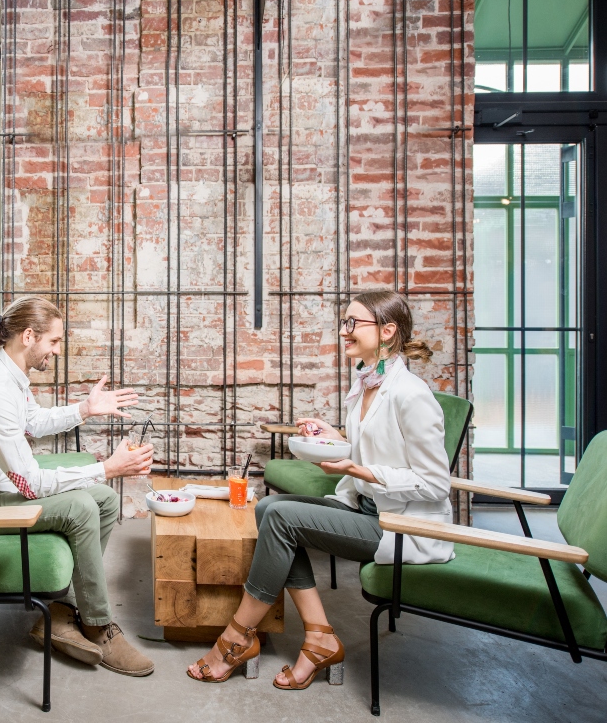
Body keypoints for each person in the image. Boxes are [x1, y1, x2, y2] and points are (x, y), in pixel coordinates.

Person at [186, 289, 455, 687]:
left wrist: (358, 470)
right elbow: (379, 445)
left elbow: (435, 484)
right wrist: (337, 436)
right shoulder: (365, 383)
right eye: (344, 322)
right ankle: (319, 637)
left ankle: (237, 636)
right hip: (364, 507)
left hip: (400, 526)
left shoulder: (412, 395)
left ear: (387, 331)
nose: (344, 331)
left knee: (278, 517)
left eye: (353, 323)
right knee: (267, 510)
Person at [0, 295, 157, 677]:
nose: (56, 351)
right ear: (29, 336)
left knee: (102, 500)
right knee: (82, 506)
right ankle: (97, 625)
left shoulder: (9, 374)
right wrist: (107, 467)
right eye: (53, 342)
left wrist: (85, 410)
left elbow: (33, 422)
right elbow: (32, 484)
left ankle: (60, 611)